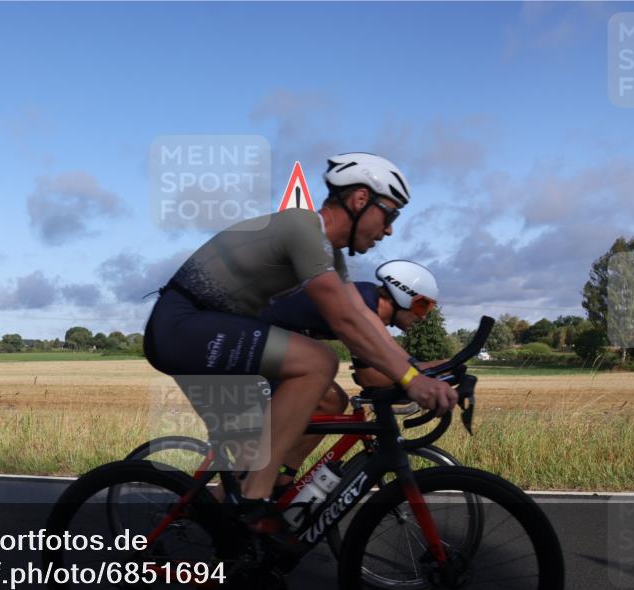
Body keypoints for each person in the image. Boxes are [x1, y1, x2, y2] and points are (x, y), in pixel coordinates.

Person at [143, 152, 457, 539]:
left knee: (282, 427)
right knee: (317, 362)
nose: (389, 230)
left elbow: (365, 324)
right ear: (360, 199)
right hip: (182, 325)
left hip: (209, 329)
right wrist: (412, 378)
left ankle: (233, 547)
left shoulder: (332, 259)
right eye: (389, 215)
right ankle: (255, 502)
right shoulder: (303, 227)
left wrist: (415, 373)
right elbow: (345, 320)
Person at [258, 260, 441, 498]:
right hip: (253, 346)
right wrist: (419, 378)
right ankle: (254, 488)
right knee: (258, 459)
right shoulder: (363, 305)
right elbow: (369, 378)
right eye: (422, 306)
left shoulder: (367, 300)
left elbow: (400, 360)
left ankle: (281, 478)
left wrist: (429, 372)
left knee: (333, 401)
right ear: (402, 294)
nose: (424, 317)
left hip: (273, 347)